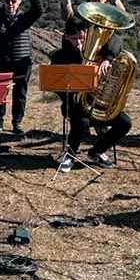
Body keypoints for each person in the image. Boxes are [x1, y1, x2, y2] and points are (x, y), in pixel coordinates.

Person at [49, 18, 131, 171]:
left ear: (86, 34)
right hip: (74, 103)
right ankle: (70, 155)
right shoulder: (59, 57)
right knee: (82, 122)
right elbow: (56, 85)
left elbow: (116, 38)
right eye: (74, 39)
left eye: (81, 38)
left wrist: (107, 59)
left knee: (125, 123)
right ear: (66, 37)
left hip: (99, 102)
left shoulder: (98, 50)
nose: (78, 42)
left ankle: (97, 151)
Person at [0, 0, 43, 135]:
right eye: (7, 1)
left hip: (22, 62)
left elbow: (39, 10)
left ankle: (17, 123)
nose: (10, 3)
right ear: (3, 2)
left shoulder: (25, 18)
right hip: (3, 61)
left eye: (13, 1)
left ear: (19, 2)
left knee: (20, 94)